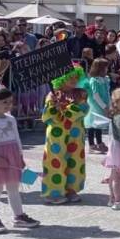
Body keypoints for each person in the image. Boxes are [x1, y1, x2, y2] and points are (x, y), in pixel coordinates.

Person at [0, 85, 40, 233]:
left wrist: (20, 156)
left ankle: (19, 216)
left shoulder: (11, 119)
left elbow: (17, 139)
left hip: (12, 157)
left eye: (10, 102)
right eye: (4, 102)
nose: (8, 105)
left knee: (13, 188)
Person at [41, 66, 89, 204]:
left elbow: (84, 110)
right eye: (70, 77)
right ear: (62, 78)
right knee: (55, 161)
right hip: (57, 133)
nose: (74, 80)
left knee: (75, 161)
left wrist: (66, 108)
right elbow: (47, 117)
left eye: (76, 77)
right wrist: (53, 106)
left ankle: (71, 190)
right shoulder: (52, 94)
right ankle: (54, 192)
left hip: (75, 133)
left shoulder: (81, 93)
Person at [84, 58, 111, 154]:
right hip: (95, 106)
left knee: (98, 125)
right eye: (105, 67)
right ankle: (91, 145)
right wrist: (104, 107)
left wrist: (109, 104)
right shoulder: (94, 81)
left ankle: (99, 142)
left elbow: (107, 92)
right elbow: (96, 95)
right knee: (92, 125)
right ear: (99, 69)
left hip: (103, 104)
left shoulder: (105, 79)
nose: (107, 69)